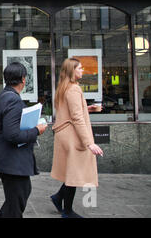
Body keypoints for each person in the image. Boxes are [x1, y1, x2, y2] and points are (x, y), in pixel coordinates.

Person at [0, 62, 47, 218]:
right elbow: (12, 135)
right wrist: (36, 130)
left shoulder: (2, 96)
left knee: (18, 195)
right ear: (23, 79)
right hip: (10, 161)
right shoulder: (13, 100)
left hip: (2, 158)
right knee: (17, 201)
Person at [50, 58, 104, 218]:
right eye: (79, 68)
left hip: (66, 133)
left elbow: (71, 112)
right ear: (71, 71)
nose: (82, 70)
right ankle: (67, 211)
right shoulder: (73, 89)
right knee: (74, 173)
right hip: (72, 136)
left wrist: (87, 108)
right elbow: (77, 118)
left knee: (71, 172)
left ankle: (58, 198)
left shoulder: (63, 87)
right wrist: (89, 143)